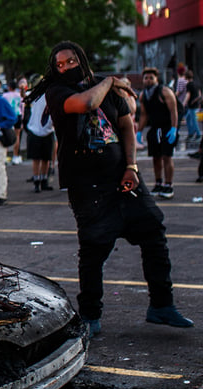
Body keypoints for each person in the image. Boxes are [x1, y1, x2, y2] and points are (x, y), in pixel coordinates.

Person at [29, 40, 192, 337]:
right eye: (59, 64)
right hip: (87, 185)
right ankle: (90, 314)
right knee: (94, 248)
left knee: (153, 230)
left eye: (70, 61)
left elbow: (127, 127)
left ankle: (162, 305)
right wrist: (111, 82)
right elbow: (87, 104)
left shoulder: (107, 90)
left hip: (122, 178)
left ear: (82, 59)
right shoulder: (57, 92)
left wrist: (132, 166)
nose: (65, 67)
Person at [137, 67, 179, 199]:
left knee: (167, 156)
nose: (148, 80)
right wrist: (139, 131)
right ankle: (158, 182)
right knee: (156, 157)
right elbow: (144, 115)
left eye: (151, 78)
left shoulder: (165, 91)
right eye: (146, 78)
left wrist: (174, 128)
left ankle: (168, 185)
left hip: (166, 128)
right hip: (154, 129)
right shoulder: (144, 95)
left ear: (156, 79)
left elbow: (174, 111)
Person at [23, 90, 55, 193]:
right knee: (36, 158)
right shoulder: (36, 95)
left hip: (48, 130)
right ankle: (36, 181)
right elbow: (25, 97)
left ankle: (44, 180)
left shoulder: (55, 95)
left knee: (46, 158)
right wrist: (23, 89)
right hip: (35, 130)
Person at [2, 78, 27, 164]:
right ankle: (15, 156)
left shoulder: (5, 96)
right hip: (18, 115)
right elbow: (22, 107)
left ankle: (4, 156)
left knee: (7, 136)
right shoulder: (19, 95)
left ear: (9, 87)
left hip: (8, 116)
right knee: (17, 136)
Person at [181, 70, 201, 142]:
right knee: (188, 118)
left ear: (186, 77)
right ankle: (191, 133)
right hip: (195, 104)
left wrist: (184, 103)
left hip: (191, 105)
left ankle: (198, 134)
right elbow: (199, 95)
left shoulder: (189, 84)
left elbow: (188, 95)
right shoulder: (196, 83)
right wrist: (197, 101)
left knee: (193, 120)